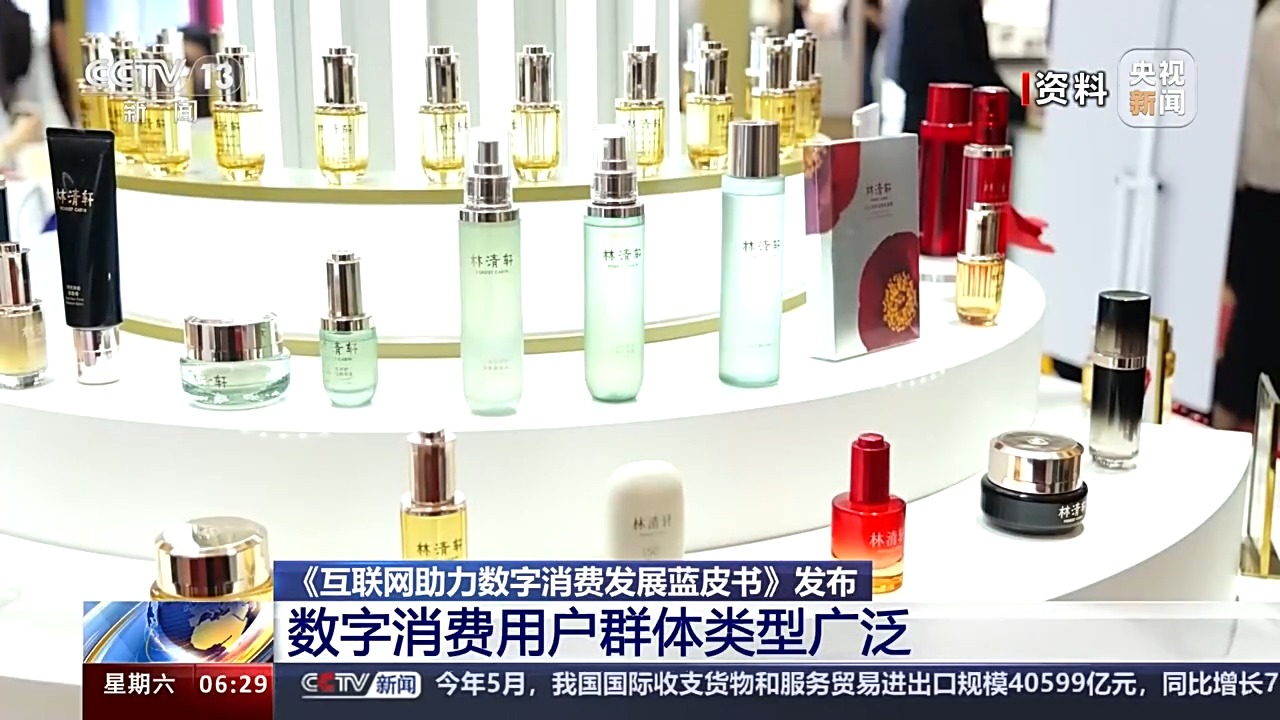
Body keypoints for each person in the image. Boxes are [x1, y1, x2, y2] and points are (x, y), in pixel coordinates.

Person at [1214, 0, 1280, 430]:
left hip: (1260, 191)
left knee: (1260, 319)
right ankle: (1228, 423)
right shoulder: (1273, 27)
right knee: (1258, 320)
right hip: (1266, 195)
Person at [896, 0, 1025, 134]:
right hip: (947, 129)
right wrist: (1019, 108)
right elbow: (964, 75)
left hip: (926, 123)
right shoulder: (950, 6)